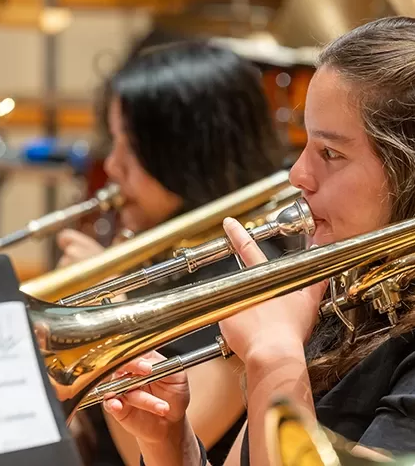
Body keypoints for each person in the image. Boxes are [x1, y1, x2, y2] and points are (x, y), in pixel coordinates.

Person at [97, 16, 415, 466]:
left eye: (330, 153)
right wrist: (170, 443)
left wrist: (274, 356)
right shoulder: (359, 301)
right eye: (304, 145)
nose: (298, 175)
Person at [59, 38, 289, 466]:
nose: (112, 166)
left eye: (129, 144)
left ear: (185, 152)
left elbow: (149, 446)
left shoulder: (248, 272)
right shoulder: (157, 249)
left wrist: (105, 301)